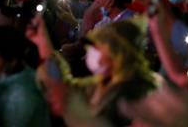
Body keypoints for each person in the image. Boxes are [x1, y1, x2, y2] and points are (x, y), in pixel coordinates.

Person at [27, 15, 159, 126]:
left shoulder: (134, 92)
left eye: (98, 47)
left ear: (117, 53)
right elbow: (66, 87)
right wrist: (43, 42)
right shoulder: (105, 84)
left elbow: (65, 97)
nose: (92, 52)